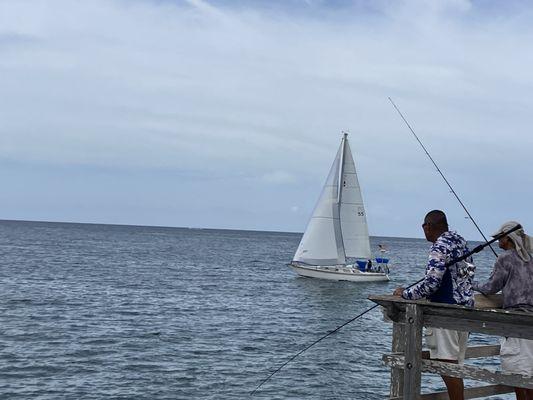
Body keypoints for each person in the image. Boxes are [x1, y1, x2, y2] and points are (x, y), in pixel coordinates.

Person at [393, 210, 475, 400]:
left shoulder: (440, 245)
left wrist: (405, 294)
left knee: (446, 366)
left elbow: (432, 283)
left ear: (427, 226)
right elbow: (468, 275)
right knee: (454, 367)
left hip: (445, 312)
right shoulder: (460, 241)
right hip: (465, 311)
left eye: (424, 227)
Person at [472, 221, 533, 400]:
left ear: (508, 238)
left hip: (516, 323)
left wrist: (471, 284)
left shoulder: (505, 258)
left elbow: (491, 287)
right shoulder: (530, 258)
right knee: (530, 377)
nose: (497, 240)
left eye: (499, 237)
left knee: (518, 377)